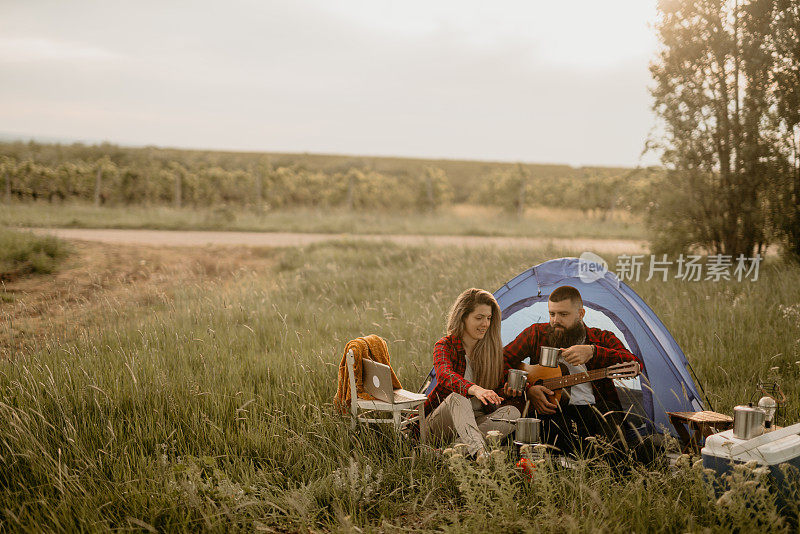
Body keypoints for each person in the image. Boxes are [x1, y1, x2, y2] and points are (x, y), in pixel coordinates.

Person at [503, 285, 642, 456]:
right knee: (554, 435)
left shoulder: (601, 338)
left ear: (581, 314)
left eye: (563, 314)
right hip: (552, 411)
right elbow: (502, 360)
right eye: (552, 314)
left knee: (611, 425)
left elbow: (633, 364)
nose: (555, 321)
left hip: (594, 409)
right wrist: (528, 389)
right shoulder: (536, 334)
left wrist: (593, 352)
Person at [424, 288, 520, 459]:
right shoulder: (445, 345)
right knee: (458, 397)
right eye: (479, 318)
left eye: (489, 318)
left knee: (512, 413)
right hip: (441, 422)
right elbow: (444, 374)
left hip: (476, 421)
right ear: (463, 317)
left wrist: (508, 390)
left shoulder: (490, 352)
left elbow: (497, 392)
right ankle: (481, 453)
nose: (485, 324)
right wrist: (475, 389)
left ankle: (450, 454)